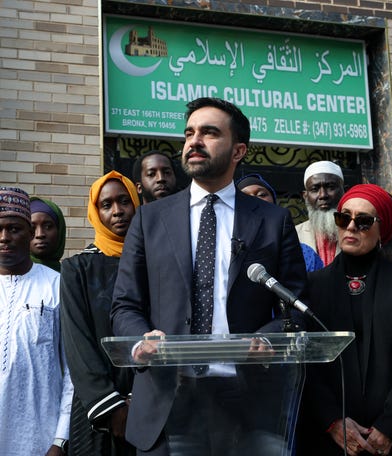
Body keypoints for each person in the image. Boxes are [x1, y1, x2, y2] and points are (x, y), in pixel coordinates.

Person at [111, 97, 308, 455]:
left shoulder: (272, 221)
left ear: (238, 150)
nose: (194, 141)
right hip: (169, 396)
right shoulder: (149, 218)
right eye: (189, 133)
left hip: (247, 400)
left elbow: (293, 303)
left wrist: (267, 338)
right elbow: (125, 303)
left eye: (209, 133)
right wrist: (142, 338)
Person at [299, 183, 392, 456]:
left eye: (364, 221)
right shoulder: (312, 286)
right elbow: (307, 360)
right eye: (344, 218)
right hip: (334, 439)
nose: (352, 227)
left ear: (384, 229)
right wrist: (333, 420)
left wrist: (390, 423)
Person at [60, 171, 140, 455]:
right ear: (96, 212)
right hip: (98, 413)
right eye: (106, 205)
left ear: (136, 203)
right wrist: (111, 406)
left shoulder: (156, 263)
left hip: (150, 408)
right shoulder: (77, 269)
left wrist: (142, 401)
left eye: (124, 201)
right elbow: (77, 343)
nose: (117, 211)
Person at [0, 187, 73, 455]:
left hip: (40, 439)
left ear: (30, 234)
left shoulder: (57, 285)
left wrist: (60, 439)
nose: (4, 238)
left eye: (14, 229)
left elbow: (72, 372)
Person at [237, 173, 323, 272]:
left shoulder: (304, 253)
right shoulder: (226, 249)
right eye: (244, 196)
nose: (254, 200)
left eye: (261, 195)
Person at [295, 160, 345, 266]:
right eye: (315, 189)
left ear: (344, 191)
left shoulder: (356, 230)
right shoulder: (294, 234)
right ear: (305, 196)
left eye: (331, 187)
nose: (323, 195)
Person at [30, 196, 66, 271]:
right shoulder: (8, 277)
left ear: (60, 231)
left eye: (48, 227)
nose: (40, 234)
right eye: (32, 228)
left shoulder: (74, 277)